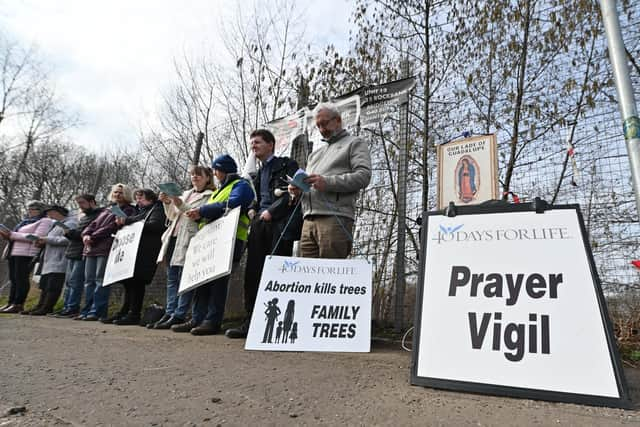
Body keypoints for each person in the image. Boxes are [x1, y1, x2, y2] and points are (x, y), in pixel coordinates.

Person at [226, 129, 302, 339]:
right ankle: (251, 321)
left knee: (277, 273)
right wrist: (252, 209)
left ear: (271, 144)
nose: (253, 146)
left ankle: (277, 324)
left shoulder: (287, 164)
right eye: (252, 143)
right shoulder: (259, 173)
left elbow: (292, 192)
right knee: (253, 272)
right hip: (259, 224)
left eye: (257, 142)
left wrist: (271, 212)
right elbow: (256, 197)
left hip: (279, 227)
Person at [173, 154, 253, 335]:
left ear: (222, 170)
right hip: (210, 240)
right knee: (202, 281)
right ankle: (197, 318)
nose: (215, 174)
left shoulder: (241, 186)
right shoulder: (218, 191)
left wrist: (202, 210)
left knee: (218, 281)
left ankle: (212, 320)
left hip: (230, 239)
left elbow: (234, 203)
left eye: (216, 170)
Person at [288, 102, 372, 259]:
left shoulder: (354, 143)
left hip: (335, 219)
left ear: (338, 120)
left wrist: (327, 182)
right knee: (306, 278)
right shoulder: (314, 155)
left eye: (324, 123)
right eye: (318, 125)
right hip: (308, 221)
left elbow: (363, 176)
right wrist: (298, 190)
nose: (321, 130)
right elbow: (311, 185)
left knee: (331, 277)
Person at [151, 166, 215, 329]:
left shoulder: (211, 195)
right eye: (192, 174)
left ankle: (180, 313)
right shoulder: (186, 193)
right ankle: (170, 311)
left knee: (184, 278)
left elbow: (198, 214)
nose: (194, 177)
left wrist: (180, 203)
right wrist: (167, 203)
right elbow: (172, 215)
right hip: (174, 236)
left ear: (208, 177)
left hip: (191, 238)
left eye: (198, 175)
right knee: (172, 277)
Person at [77, 184, 135, 321]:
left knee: (100, 280)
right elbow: (92, 224)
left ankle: (97, 311)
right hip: (91, 248)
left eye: (121, 192)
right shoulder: (107, 210)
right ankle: (86, 310)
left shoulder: (129, 210)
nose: (117, 194)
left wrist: (93, 236)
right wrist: (86, 234)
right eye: (115, 192)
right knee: (88, 280)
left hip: (107, 246)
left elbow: (113, 226)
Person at [109, 189, 167, 325]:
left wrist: (129, 221)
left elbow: (155, 225)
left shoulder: (157, 209)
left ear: (151, 199)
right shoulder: (141, 212)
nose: (138, 200)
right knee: (129, 283)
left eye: (141, 197)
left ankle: (134, 313)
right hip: (134, 252)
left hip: (146, 253)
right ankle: (124, 311)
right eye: (137, 198)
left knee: (137, 284)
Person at [53, 194, 102, 317]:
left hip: (82, 251)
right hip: (73, 251)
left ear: (92, 202)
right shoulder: (84, 216)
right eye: (78, 203)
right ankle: (67, 306)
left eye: (82, 203)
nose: (80, 206)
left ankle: (73, 307)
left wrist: (71, 233)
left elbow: (84, 234)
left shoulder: (98, 215)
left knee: (76, 281)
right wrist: (68, 233)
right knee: (69, 282)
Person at [0, 201, 51, 314]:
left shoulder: (45, 221)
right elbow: (15, 235)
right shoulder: (24, 222)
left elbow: (36, 237)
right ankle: (11, 302)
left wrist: (12, 234)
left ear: (40, 210)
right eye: (29, 209)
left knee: (21, 279)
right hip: (14, 251)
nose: (30, 211)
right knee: (13, 279)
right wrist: (7, 235)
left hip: (27, 253)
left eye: (33, 209)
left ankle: (19, 303)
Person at [26, 205, 77, 315]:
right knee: (45, 285)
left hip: (60, 259)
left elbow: (68, 239)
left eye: (50, 213)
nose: (49, 216)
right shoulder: (54, 225)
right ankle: (40, 306)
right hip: (49, 259)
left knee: (53, 286)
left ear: (57, 212)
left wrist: (47, 239)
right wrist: (41, 242)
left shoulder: (70, 223)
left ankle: (47, 307)